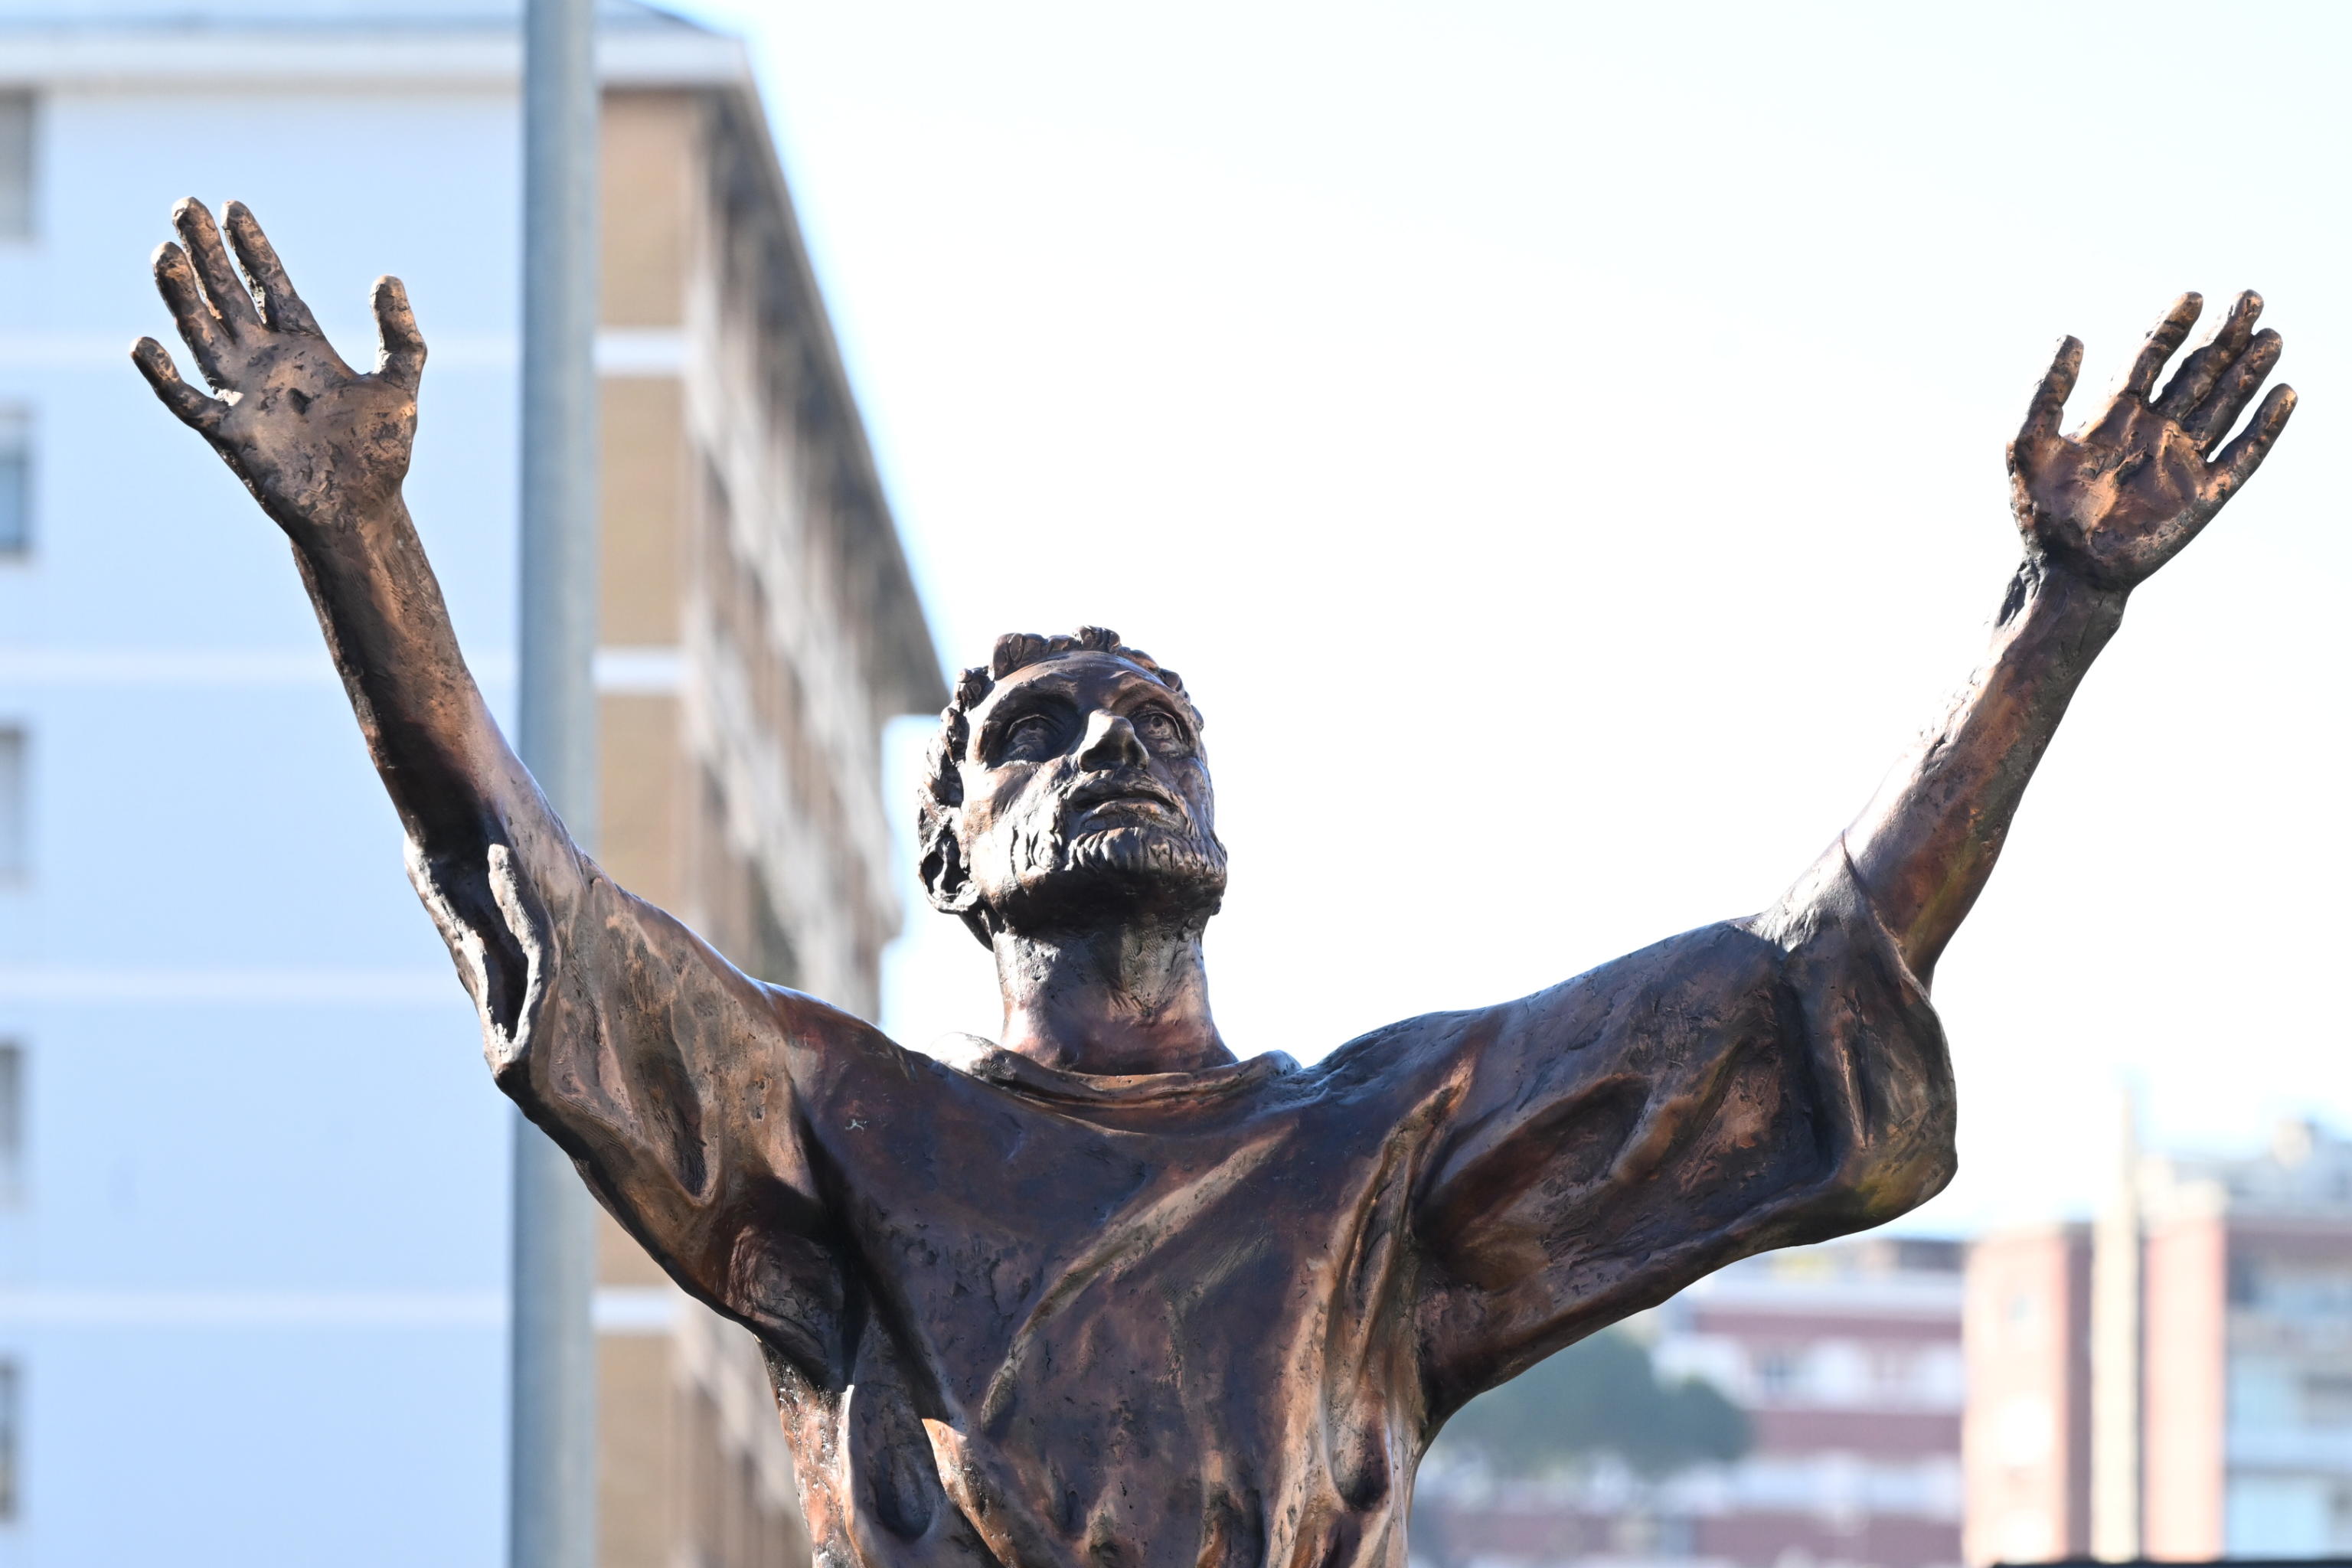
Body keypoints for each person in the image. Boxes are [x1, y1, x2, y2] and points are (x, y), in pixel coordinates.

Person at [133, 198, 2292, 1568]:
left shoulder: (1384, 1154)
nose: (1117, 745)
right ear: (952, 864)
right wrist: (359, 542)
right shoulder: (844, 1126)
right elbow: (528, 897)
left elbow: (1802, 976)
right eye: (1039, 734)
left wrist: (2057, 612)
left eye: (1156, 718)